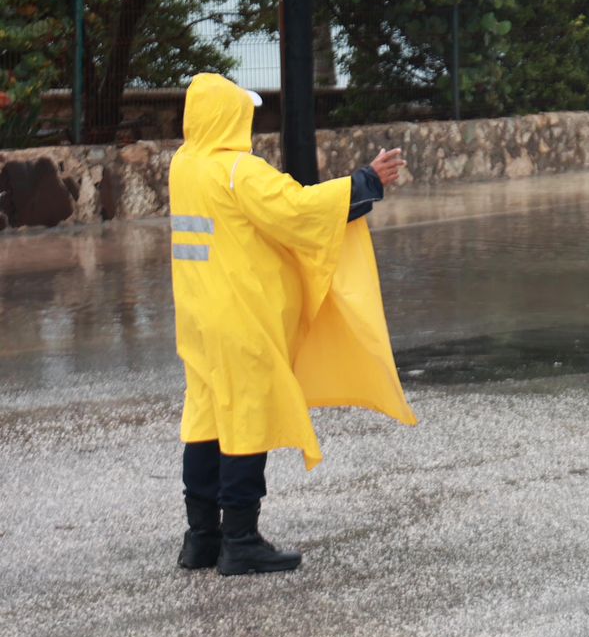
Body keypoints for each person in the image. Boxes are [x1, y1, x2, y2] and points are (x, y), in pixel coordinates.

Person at [169, 73, 416, 576]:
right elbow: (299, 211)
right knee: (247, 419)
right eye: (243, 112)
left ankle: (201, 539)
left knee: (206, 420)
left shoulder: (184, 165)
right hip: (242, 320)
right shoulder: (240, 172)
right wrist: (366, 181)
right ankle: (240, 541)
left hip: (198, 318)